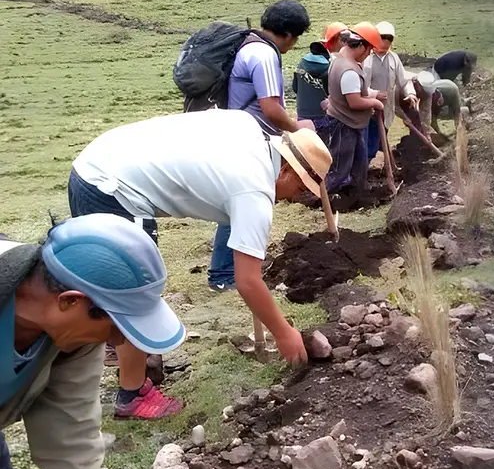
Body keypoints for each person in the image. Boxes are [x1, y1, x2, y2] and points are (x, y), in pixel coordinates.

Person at [67, 109, 332, 419]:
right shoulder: (254, 189)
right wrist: (284, 332)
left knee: (117, 287)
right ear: (286, 169)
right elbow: (247, 281)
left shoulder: (248, 128)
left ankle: (120, 354)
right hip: (111, 187)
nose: (291, 199)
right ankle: (131, 395)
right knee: (137, 291)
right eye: (299, 189)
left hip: (98, 160)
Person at [1, 213, 187, 469]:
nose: (117, 342)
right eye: (115, 328)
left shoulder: (73, 338)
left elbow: (68, 425)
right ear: (70, 301)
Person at [210, 0, 313, 293]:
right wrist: (297, 126)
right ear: (290, 35)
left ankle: (231, 271)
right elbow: (271, 108)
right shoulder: (264, 54)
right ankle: (225, 275)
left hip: (241, 136)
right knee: (244, 207)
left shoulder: (249, 45)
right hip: (250, 142)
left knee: (241, 207)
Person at [316, 23, 384, 212]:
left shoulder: (340, 60)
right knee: (339, 168)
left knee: (359, 165)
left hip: (352, 124)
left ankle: (356, 197)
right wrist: (374, 102)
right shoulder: (349, 71)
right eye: (369, 51)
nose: (368, 55)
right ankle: (323, 201)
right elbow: (354, 102)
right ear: (361, 46)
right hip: (343, 124)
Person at [362, 21, 418, 163]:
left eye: (386, 48)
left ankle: (381, 165)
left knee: (377, 142)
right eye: (380, 48)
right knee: (368, 148)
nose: (383, 50)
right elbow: (360, 87)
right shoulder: (365, 59)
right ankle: (362, 172)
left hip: (386, 111)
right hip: (367, 112)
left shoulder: (394, 59)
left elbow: (404, 81)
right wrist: (374, 94)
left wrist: (410, 94)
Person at [418, 71, 463, 138]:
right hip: (435, 94)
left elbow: (457, 112)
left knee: (457, 113)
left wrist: (459, 128)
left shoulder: (453, 92)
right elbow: (428, 114)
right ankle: (437, 133)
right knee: (430, 116)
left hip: (450, 89)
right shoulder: (426, 91)